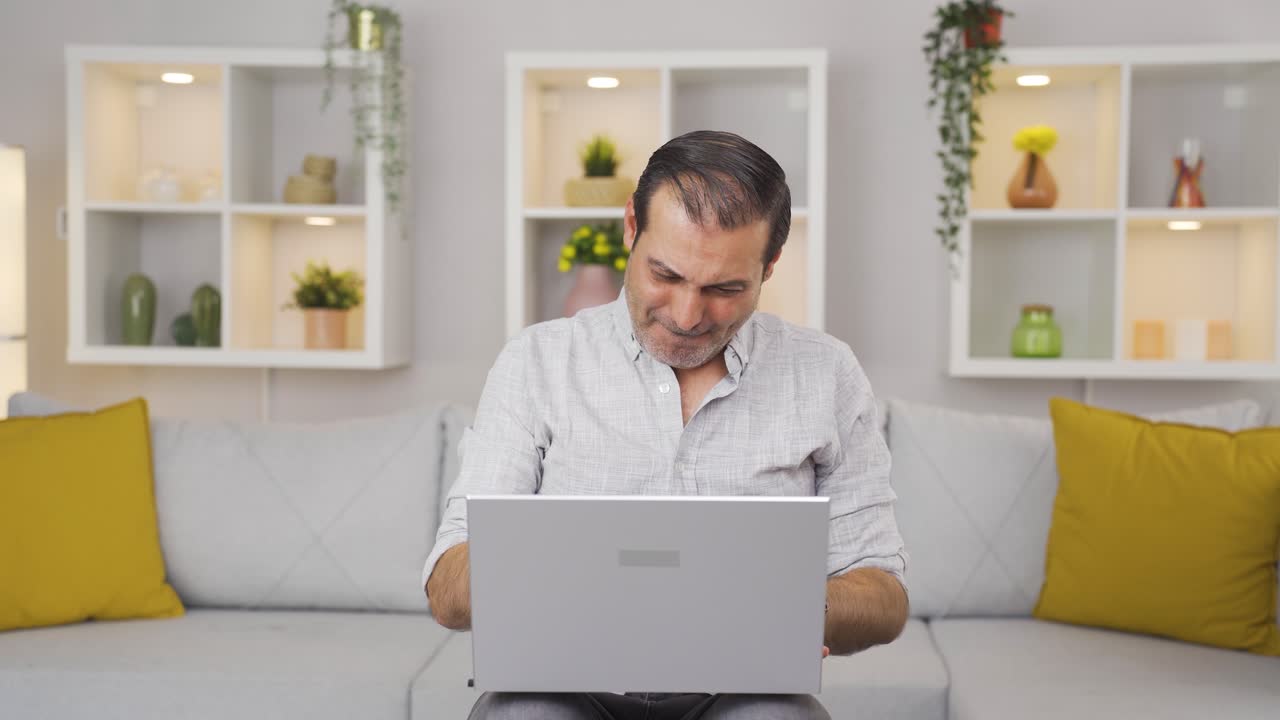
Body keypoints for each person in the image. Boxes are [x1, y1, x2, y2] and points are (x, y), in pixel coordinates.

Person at [423, 130, 909, 720]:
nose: (686, 315)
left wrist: (793, 608)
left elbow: (884, 596)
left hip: (745, 690)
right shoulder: (536, 362)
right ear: (631, 226)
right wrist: (564, 576)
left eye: (724, 288)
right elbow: (448, 591)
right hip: (559, 686)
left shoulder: (826, 371)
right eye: (666, 275)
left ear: (769, 266)